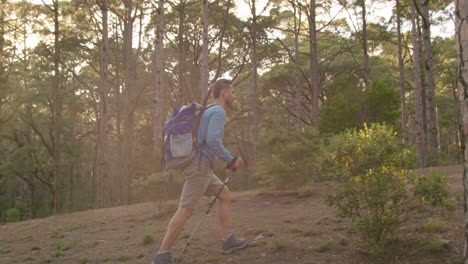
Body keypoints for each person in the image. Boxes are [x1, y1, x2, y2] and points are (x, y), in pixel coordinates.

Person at [152, 79, 247, 264]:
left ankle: (227, 240)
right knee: (186, 210)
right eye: (233, 92)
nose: (235, 96)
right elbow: (212, 140)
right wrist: (231, 159)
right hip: (200, 167)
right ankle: (162, 255)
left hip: (202, 166)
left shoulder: (209, 110)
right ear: (224, 92)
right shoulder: (218, 111)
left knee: (225, 195)